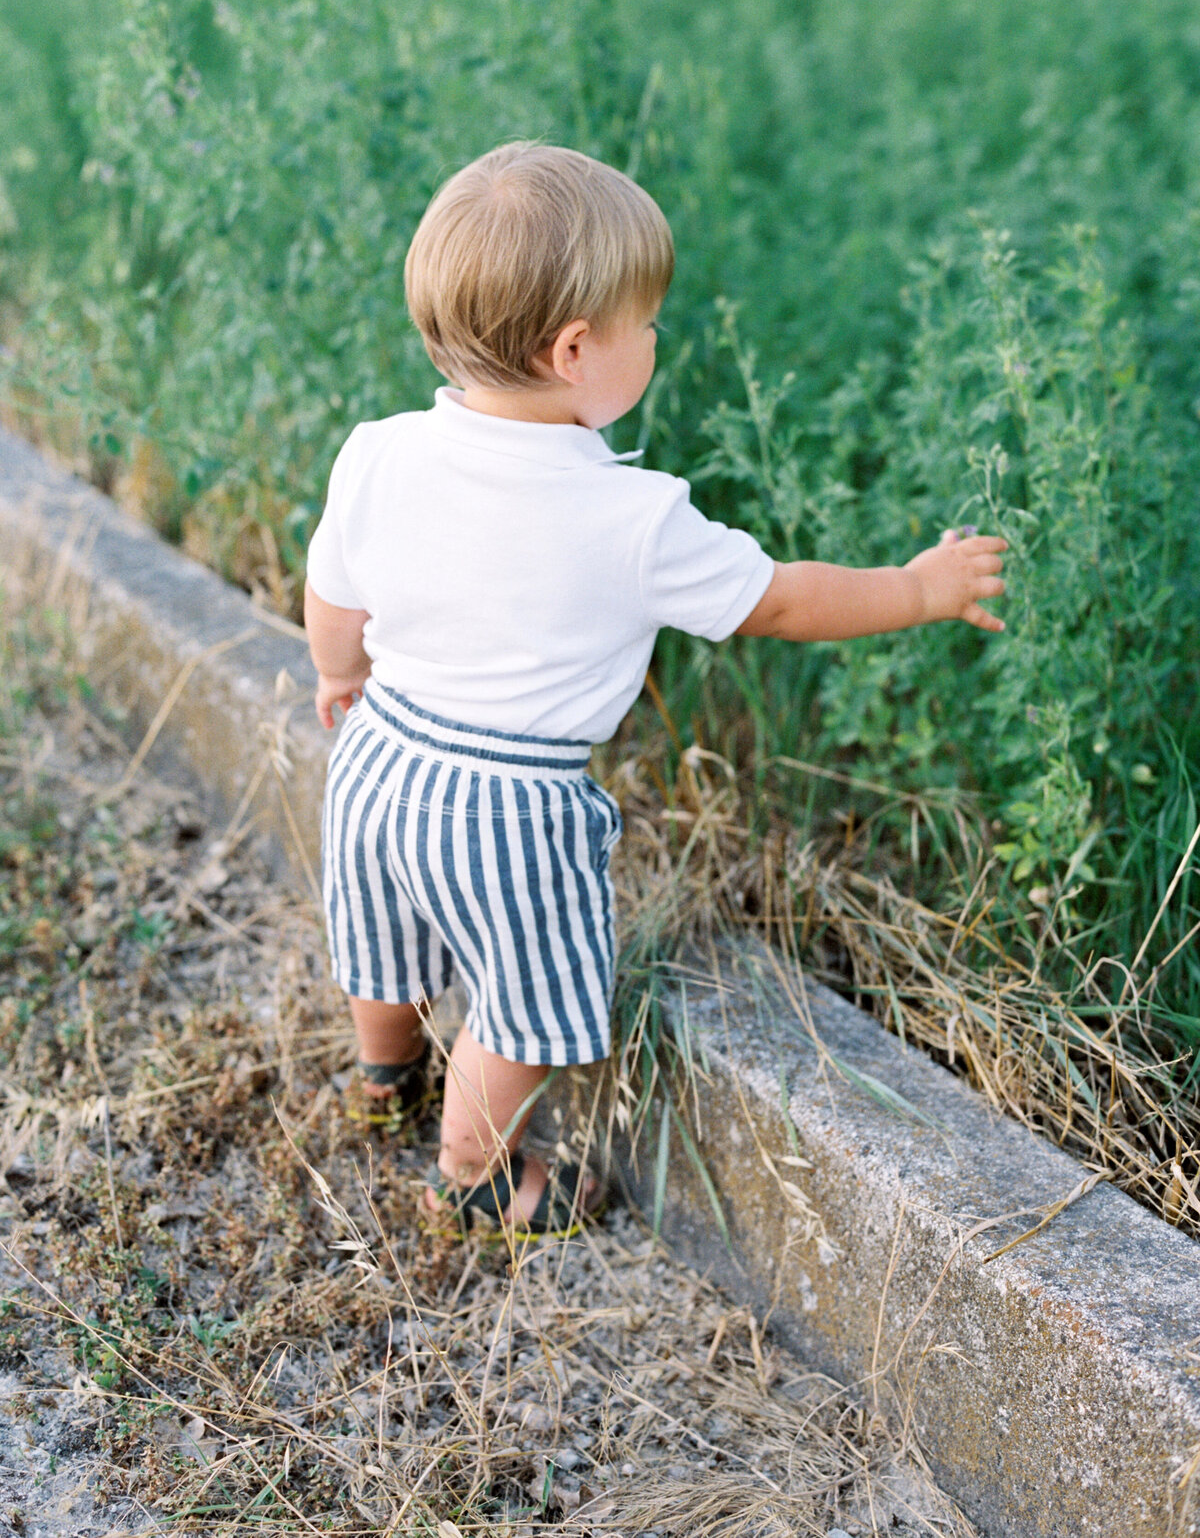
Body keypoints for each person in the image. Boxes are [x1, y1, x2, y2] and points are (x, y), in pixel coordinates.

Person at [303, 142, 1007, 1239]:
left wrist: (338, 675)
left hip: (380, 750)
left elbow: (332, 596)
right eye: (648, 326)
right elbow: (778, 599)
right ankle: (475, 1169)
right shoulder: (633, 520)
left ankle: (381, 1073)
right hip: (508, 801)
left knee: (385, 932)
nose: (657, 343)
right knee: (523, 1002)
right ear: (577, 349)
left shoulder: (380, 451)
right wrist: (916, 586)